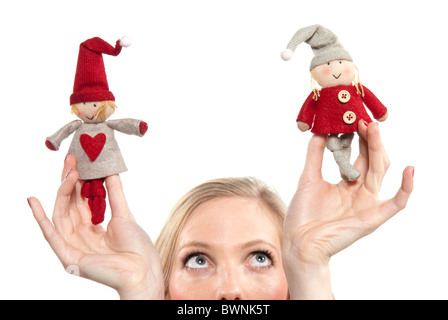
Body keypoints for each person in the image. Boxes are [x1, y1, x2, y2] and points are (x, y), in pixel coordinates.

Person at [27, 120, 414, 299]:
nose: (230, 293)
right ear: (167, 290)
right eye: (197, 261)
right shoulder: (151, 292)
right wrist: (140, 290)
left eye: (260, 257)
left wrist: (310, 269)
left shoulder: (303, 281)